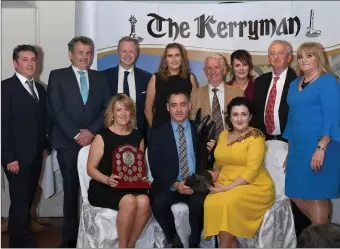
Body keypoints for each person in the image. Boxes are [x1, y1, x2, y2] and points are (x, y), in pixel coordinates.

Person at [46, 36, 110, 248]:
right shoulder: (57, 76)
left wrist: (91, 132)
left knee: (95, 188)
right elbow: (56, 109)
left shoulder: (100, 78)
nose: (85, 56)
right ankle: (71, 239)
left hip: (94, 143)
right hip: (67, 143)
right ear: (70, 54)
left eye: (88, 52)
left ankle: (94, 235)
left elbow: (106, 109)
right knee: (72, 191)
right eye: (80, 52)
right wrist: (76, 135)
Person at [252, 39, 310, 236]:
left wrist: (295, 147)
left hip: (289, 144)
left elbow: (303, 118)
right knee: (268, 193)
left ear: (289, 57)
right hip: (264, 143)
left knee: (292, 194)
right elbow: (253, 117)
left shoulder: (299, 82)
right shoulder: (259, 82)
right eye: (272, 53)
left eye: (280, 53)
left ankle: (300, 238)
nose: (275, 57)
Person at [204, 97, 275, 247]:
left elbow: (252, 170)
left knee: (227, 203)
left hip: (254, 185)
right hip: (225, 182)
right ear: (229, 117)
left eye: (244, 114)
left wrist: (228, 188)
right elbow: (219, 162)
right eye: (235, 114)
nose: (240, 119)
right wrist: (214, 174)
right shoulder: (223, 135)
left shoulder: (256, 136)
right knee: (211, 202)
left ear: (250, 116)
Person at [282, 42, 340, 225]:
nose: (303, 60)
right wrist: (290, 151)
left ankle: (320, 238)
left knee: (317, 195)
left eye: (309, 55)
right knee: (293, 192)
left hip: (321, 145)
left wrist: (321, 148)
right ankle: (323, 230)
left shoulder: (328, 81)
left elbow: (332, 117)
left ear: (319, 58)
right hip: (298, 148)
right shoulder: (293, 85)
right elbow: (291, 118)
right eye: (300, 56)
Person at [148, 92, 215, 248]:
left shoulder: (199, 129)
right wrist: (176, 184)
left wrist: (210, 154)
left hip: (195, 182)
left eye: (182, 104)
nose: (178, 110)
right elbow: (155, 166)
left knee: (200, 202)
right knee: (158, 202)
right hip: (170, 183)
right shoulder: (158, 133)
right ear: (168, 108)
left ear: (190, 105)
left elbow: (208, 163)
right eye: (174, 105)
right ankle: (173, 239)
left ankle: (194, 240)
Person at [87, 93, 151, 248]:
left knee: (144, 201)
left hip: (129, 186)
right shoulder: (102, 137)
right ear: (112, 114)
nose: (123, 113)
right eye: (119, 110)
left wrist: (141, 177)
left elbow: (139, 167)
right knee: (129, 201)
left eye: (127, 109)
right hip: (104, 186)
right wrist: (106, 179)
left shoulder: (138, 137)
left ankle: (130, 244)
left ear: (131, 113)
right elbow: (90, 169)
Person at [1, 45, 48, 247]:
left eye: (33, 59)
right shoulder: (5, 88)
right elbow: (2, 125)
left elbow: (42, 121)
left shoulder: (39, 88)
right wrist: (9, 157)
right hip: (15, 158)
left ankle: (18, 238)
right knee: (20, 200)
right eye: (25, 59)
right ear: (15, 63)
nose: (30, 63)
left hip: (36, 155)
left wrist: (45, 146)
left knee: (26, 199)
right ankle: (22, 242)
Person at [103, 36, 152, 141]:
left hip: (139, 137)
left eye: (131, 51)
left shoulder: (147, 78)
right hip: (109, 137)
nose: (127, 55)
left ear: (137, 53)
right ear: (118, 52)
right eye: (124, 51)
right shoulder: (103, 77)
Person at [144, 43, 198, 129]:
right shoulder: (155, 78)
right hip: (161, 129)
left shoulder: (190, 78)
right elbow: (147, 110)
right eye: (170, 56)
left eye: (177, 55)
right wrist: (155, 130)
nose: (174, 59)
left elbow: (195, 108)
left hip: (184, 130)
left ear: (182, 58)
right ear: (165, 59)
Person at [190, 54, 244, 139]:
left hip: (233, 145)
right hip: (205, 147)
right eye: (209, 68)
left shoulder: (238, 93)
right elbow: (192, 125)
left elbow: (244, 124)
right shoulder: (195, 95)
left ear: (224, 70)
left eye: (216, 67)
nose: (213, 71)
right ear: (205, 71)